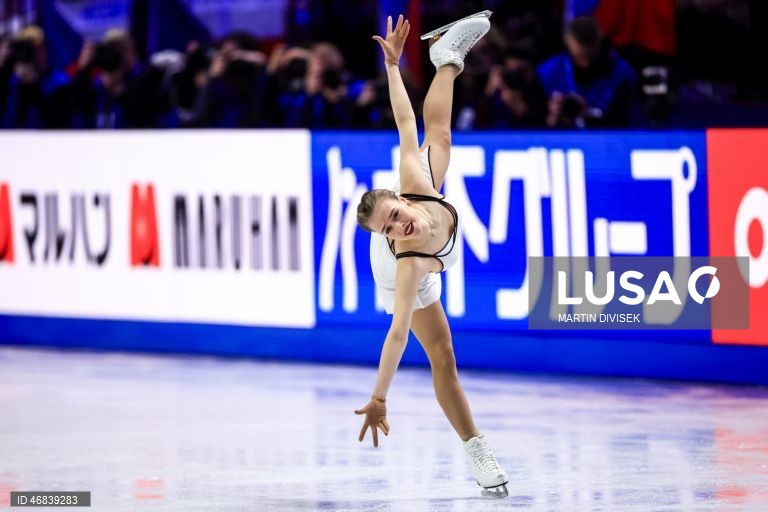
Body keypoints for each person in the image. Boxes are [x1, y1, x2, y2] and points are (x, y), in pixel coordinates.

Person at [353, 13, 509, 498]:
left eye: (395, 215)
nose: (399, 226)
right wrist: (379, 397)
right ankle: (477, 449)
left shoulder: (417, 182)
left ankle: (447, 60)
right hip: (405, 276)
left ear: (403, 198)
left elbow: (406, 120)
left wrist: (394, 66)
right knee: (442, 357)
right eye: (389, 228)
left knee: (436, 134)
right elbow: (397, 333)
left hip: (433, 224)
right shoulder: (406, 264)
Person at [538, 16, 636, 128]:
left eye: (590, 56)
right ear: (568, 43)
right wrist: (551, 119)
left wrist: (592, 116)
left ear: (599, 41)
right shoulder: (548, 72)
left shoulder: (622, 74)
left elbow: (628, 121)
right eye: (579, 57)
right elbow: (532, 126)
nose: (585, 64)